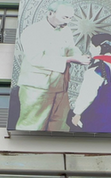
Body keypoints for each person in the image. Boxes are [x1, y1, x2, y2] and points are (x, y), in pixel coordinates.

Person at [14, 1, 90, 132]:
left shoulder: (66, 31)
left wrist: (80, 56)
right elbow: (36, 59)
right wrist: (70, 59)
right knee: (32, 126)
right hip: (36, 88)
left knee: (59, 127)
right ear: (50, 13)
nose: (68, 21)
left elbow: (71, 48)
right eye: (65, 17)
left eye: (70, 18)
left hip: (60, 87)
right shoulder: (33, 31)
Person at [71, 33, 111, 133]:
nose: (90, 49)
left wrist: (77, 113)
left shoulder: (95, 69)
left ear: (99, 48)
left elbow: (87, 95)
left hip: (98, 112)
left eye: (91, 46)